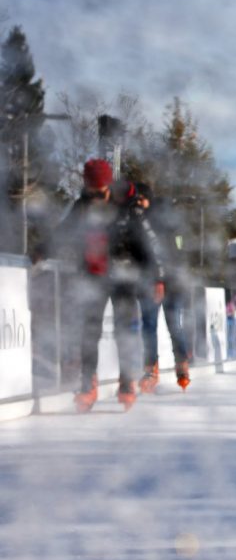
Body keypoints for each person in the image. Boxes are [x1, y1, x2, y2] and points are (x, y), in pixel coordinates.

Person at [54, 160, 166, 412]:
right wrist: (41, 250)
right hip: (92, 276)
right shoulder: (81, 206)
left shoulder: (128, 208)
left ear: (107, 185)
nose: (94, 196)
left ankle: (127, 383)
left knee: (124, 332)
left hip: (123, 277)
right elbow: (63, 232)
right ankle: (87, 386)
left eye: (99, 190)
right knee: (88, 333)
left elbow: (149, 244)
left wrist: (157, 278)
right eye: (90, 189)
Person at [135, 182, 193, 392]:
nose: (138, 203)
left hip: (170, 283)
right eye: (135, 200)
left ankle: (182, 366)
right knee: (149, 326)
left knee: (173, 324)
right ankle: (151, 369)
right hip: (148, 282)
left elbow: (172, 255)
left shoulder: (160, 223)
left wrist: (165, 279)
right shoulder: (136, 221)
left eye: (141, 199)